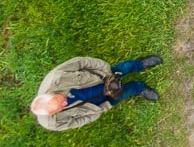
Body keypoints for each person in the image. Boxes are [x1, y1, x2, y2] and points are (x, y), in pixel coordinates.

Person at [29, 55, 162, 131]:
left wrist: (106, 70)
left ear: (51, 93)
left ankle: (141, 64)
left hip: (102, 78)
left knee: (125, 68)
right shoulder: (51, 123)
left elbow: (81, 62)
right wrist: (95, 113)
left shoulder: (56, 77)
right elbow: (76, 122)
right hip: (100, 101)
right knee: (125, 93)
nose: (65, 103)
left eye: (61, 100)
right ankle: (139, 88)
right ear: (52, 113)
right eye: (60, 108)